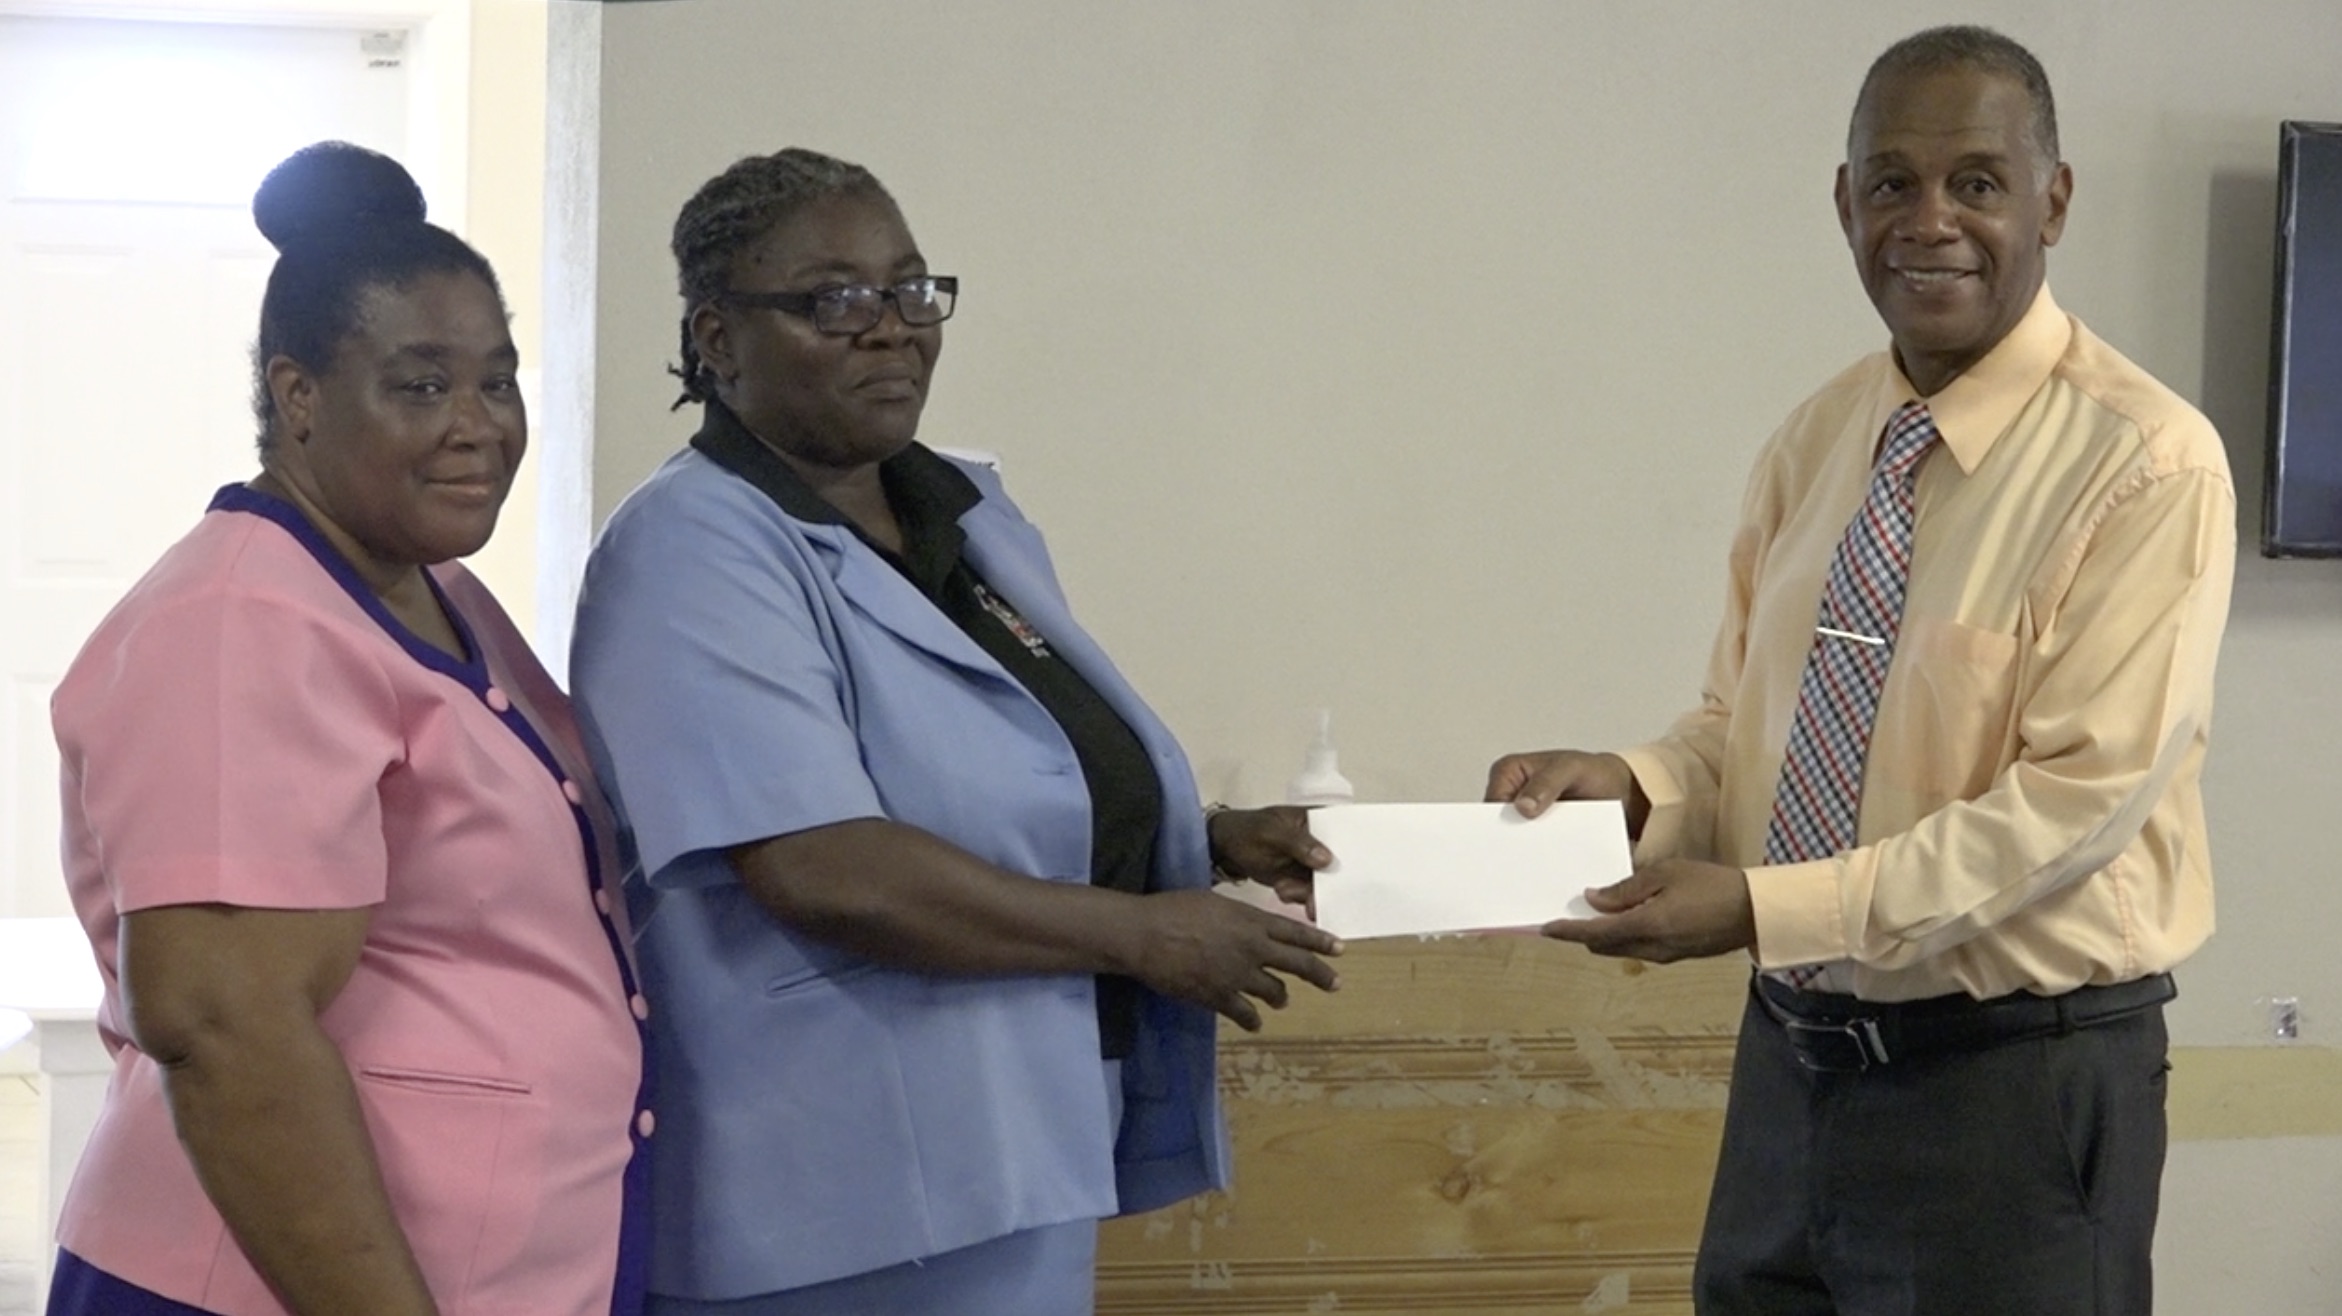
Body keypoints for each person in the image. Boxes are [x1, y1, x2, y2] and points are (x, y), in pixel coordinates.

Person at [1486, 26, 2233, 1316]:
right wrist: (1634, 781)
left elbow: (2068, 809)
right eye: (1890, 183)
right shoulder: (1817, 439)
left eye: (1977, 183)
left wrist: (1763, 909)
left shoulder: (2147, 462)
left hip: (2010, 1089)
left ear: (2051, 202)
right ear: (1843, 205)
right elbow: (1743, 728)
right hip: (1792, 1066)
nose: (1928, 220)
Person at [568, 147, 1343, 1316]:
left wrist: (1211, 833)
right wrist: (1141, 933)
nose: (889, 328)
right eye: (833, 300)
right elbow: (824, 864)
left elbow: (1008, 763)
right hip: (831, 1200)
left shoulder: (961, 514)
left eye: (911, 289)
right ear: (717, 338)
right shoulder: (688, 551)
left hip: (1014, 1153)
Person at [46, 142, 649, 1316]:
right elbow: (225, 1029)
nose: (479, 425)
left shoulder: (431, 590)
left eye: (498, 380)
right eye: (421, 385)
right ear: (297, 394)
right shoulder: (236, 623)